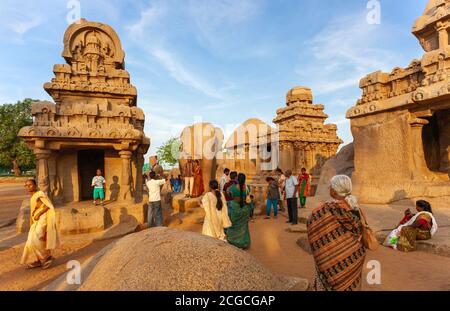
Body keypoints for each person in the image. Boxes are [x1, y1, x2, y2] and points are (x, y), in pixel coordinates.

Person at [307, 175, 366, 291]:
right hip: (354, 258)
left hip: (330, 262)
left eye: (330, 186)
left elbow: (312, 224)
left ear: (334, 191)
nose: (329, 188)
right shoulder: (355, 208)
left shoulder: (325, 210)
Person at [21, 179, 60, 270]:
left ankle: (46, 258)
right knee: (31, 240)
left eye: (30, 185)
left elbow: (48, 205)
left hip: (43, 218)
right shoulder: (33, 196)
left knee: (37, 238)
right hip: (36, 221)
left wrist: (39, 214)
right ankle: (39, 260)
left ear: (35, 185)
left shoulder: (40, 194)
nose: (28, 187)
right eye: (26, 185)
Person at [226, 173, 252, 249]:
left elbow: (229, 194)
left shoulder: (232, 188)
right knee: (244, 225)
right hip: (245, 208)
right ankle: (243, 242)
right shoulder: (248, 188)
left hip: (235, 207)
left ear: (237, 178)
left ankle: (233, 241)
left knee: (234, 224)